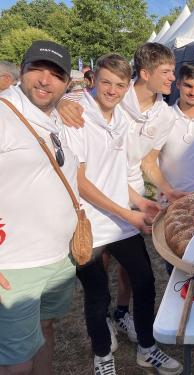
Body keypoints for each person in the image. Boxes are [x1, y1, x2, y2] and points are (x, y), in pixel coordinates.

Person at [58, 42, 185, 345]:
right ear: (143, 74)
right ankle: (102, 328)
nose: (173, 79)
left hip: (129, 194)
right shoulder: (112, 99)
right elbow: (71, 99)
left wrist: (163, 192)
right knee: (98, 276)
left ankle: (123, 315)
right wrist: (63, 101)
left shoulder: (164, 115)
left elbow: (147, 161)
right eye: (167, 72)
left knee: (136, 274)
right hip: (95, 202)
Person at [0, 40, 77, 375]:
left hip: (58, 258)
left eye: (56, 74)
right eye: (38, 69)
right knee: (16, 362)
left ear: (67, 82)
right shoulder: (4, 114)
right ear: (22, 69)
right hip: (16, 266)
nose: (46, 80)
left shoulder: (53, 116)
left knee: (45, 334)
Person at [142, 62, 194, 195]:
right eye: (188, 85)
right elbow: (148, 162)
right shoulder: (162, 116)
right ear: (178, 84)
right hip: (168, 198)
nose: (193, 92)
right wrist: (167, 191)